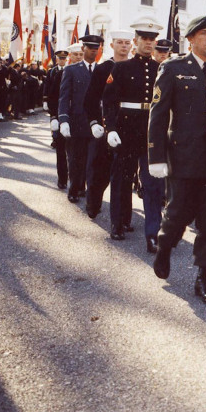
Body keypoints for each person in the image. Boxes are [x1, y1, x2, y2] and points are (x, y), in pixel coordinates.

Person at [149, 15, 206, 304]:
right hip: (183, 158)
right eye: (204, 34)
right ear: (191, 39)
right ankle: (164, 246)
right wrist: (156, 156)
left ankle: (204, 277)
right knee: (176, 215)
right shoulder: (173, 68)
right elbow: (158, 113)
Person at [103, 25, 162, 246]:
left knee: (152, 182)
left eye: (152, 39)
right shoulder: (121, 68)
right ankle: (118, 223)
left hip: (151, 130)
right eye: (144, 39)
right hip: (126, 129)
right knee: (122, 179)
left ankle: (153, 233)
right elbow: (109, 102)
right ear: (136, 41)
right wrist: (111, 129)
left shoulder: (161, 69)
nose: (148, 43)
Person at [83, 31, 132, 222]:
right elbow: (91, 99)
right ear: (112, 46)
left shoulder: (133, 67)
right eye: (119, 42)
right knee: (99, 171)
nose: (124, 46)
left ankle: (124, 218)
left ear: (132, 46)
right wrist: (94, 122)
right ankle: (93, 204)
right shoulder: (103, 69)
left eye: (127, 43)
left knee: (125, 176)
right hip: (104, 126)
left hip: (127, 126)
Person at [58, 35, 104, 203]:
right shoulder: (71, 70)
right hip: (77, 121)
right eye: (90, 47)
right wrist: (63, 120)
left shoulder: (102, 70)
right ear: (83, 49)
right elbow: (64, 97)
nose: (93, 50)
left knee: (92, 159)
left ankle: (85, 187)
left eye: (96, 48)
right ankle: (74, 188)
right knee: (76, 158)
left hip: (96, 123)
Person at [45, 49, 69, 189]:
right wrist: (52, 114)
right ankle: (63, 179)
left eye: (64, 58)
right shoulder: (55, 72)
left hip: (76, 117)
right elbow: (50, 91)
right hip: (59, 112)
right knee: (61, 148)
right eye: (60, 58)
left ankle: (77, 182)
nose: (62, 60)